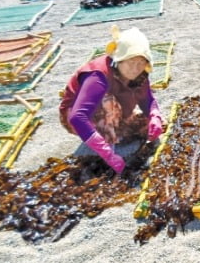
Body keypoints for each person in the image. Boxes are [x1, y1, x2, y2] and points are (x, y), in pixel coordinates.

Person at [59, 26, 164, 174]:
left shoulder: (140, 75)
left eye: (141, 62)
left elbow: (148, 99)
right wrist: (108, 155)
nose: (135, 68)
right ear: (119, 60)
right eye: (130, 61)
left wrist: (155, 116)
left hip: (113, 110)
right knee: (109, 104)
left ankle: (112, 132)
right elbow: (77, 117)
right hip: (77, 115)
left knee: (146, 125)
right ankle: (104, 142)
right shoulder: (98, 75)